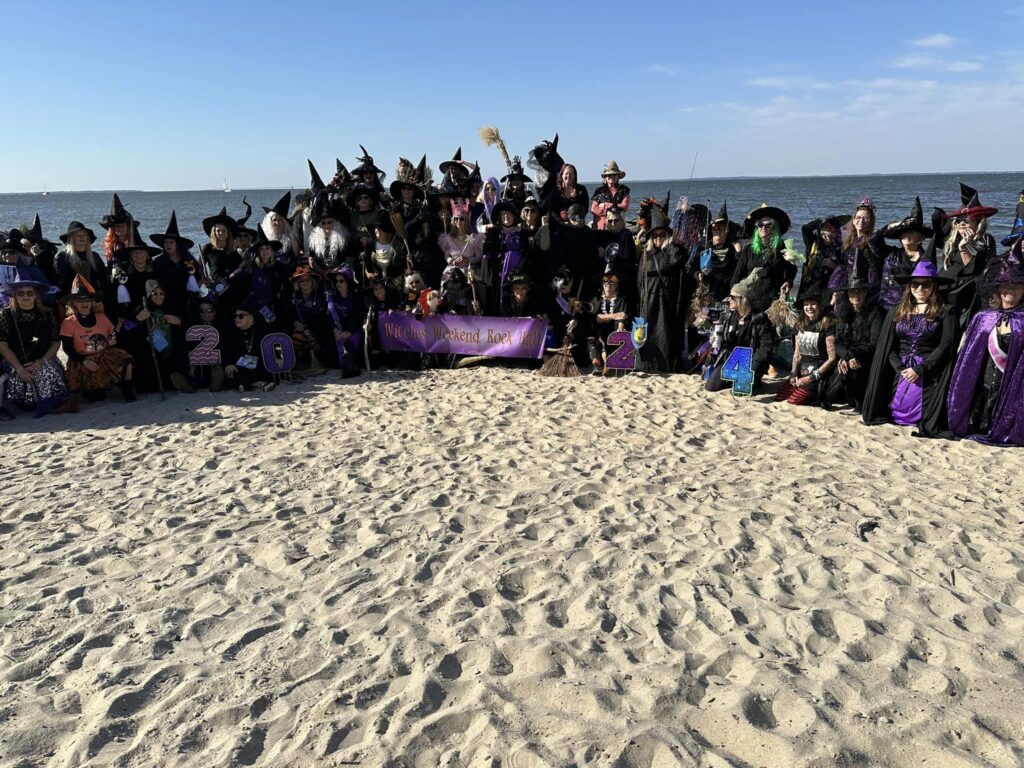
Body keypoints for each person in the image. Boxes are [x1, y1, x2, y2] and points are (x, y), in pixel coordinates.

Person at [862, 261, 956, 434]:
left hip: (928, 368)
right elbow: (888, 345)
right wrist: (900, 369)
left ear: (934, 287)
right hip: (900, 368)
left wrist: (920, 368)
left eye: (926, 284)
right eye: (915, 284)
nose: (920, 289)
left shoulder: (945, 312)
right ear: (909, 286)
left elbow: (945, 345)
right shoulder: (897, 311)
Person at [947, 248, 1024, 445]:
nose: (1010, 290)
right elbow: (968, 356)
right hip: (983, 378)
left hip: (1012, 384)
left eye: (1017, 285)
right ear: (997, 289)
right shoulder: (984, 318)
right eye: (1005, 285)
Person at [0, 269, 70, 418]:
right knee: (21, 390)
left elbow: (55, 342)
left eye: (29, 293)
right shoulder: (5, 315)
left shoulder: (48, 314)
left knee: (45, 372)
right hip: (16, 362)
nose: (25, 296)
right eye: (20, 293)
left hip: (44, 359)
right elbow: (2, 345)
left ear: (36, 295)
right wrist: (19, 369)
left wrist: (41, 362)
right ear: (14, 296)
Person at [59, 278, 135, 401]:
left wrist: (113, 340)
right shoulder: (68, 322)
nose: (84, 303)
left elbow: (113, 335)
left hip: (103, 355)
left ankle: (127, 390)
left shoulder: (102, 317)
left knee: (126, 358)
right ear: (74, 303)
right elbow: (67, 348)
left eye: (87, 300)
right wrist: (84, 361)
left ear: (92, 302)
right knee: (96, 396)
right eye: (80, 300)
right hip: (81, 359)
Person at [936, 183, 998, 331]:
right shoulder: (952, 239)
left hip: (966, 294)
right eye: (959, 221)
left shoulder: (986, 240)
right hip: (946, 288)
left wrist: (965, 247)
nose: (962, 224)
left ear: (977, 221)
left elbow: (975, 270)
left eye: (966, 220)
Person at [635, 202, 686, 372]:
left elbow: (677, 261)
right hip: (649, 300)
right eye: (655, 236)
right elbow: (640, 279)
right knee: (648, 335)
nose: (658, 239)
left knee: (665, 334)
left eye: (661, 235)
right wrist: (641, 301)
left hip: (666, 301)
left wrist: (670, 244)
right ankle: (648, 365)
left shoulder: (673, 251)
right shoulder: (646, 254)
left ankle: (667, 364)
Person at [821, 276, 884, 410]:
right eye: (852, 292)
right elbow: (838, 342)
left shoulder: (875, 313)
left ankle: (853, 401)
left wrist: (851, 355)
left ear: (866, 292)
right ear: (847, 294)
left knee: (853, 368)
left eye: (860, 291)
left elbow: (874, 344)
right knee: (844, 367)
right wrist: (846, 356)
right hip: (847, 357)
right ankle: (836, 398)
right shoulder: (843, 313)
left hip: (867, 358)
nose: (856, 295)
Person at [703, 273, 773, 393]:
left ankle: (753, 380)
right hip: (732, 360)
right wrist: (715, 341)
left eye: (732, 297)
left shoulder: (759, 319)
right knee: (711, 386)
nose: (729, 299)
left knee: (740, 390)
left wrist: (752, 368)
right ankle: (736, 379)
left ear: (742, 299)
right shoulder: (730, 317)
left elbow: (765, 348)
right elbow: (725, 343)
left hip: (750, 361)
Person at [775, 289, 836, 406]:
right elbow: (797, 354)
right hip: (801, 372)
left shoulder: (828, 325)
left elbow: (832, 358)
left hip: (819, 374)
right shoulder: (800, 324)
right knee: (780, 396)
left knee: (794, 400)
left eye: (813, 304)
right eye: (806, 304)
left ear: (819, 306)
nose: (809, 307)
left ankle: (817, 394)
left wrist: (812, 377)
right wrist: (793, 373)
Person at [731, 204, 796, 311]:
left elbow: (791, 270)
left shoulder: (782, 248)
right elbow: (737, 274)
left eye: (768, 225)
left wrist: (788, 281)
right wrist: (733, 296)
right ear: (757, 228)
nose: (763, 228)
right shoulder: (748, 249)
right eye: (760, 225)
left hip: (773, 300)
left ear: (774, 227)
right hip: (749, 300)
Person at [874, 197, 933, 311]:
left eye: (911, 232)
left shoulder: (926, 259)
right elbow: (873, 241)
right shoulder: (891, 253)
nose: (906, 235)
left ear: (920, 238)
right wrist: (893, 225)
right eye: (903, 232)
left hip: (913, 309)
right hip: (887, 308)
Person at [54, 221, 115, 315]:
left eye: (84, 235)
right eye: (78, 235)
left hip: (94, 302)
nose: (82, 237)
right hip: (72, 304)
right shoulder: (63, 257)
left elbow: (104, 281)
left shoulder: (95, 257)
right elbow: (60, 282)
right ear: (71, 239)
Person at [221, 295, 275, 391]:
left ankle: (245, 384)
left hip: (258, 366)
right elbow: (225, 354)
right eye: (235, 316)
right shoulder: (231, 333)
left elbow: (269, 354)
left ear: (251, 318)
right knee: (231, 372)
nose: (236, 318)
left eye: (241, 316)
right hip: (239, 367)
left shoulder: (262, 332)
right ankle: (258, 384)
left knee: (268, 372)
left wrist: (250, 362)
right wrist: (228, 364)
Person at [830, 197, 880, 297]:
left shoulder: (874, 241)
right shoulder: (849, 241)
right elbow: (844, 266)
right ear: (853, 220)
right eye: (858, 217)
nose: (861, 221)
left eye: (866, 218)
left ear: (871, 221)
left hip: (864, 290)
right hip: (848, 287)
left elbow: (875, 268)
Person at [151, 211, 197, 310]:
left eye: (171, 242)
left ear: (177, 244)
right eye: (166, 242)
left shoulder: (189, 260)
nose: (168, 245)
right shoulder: (158, 262)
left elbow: (198, 277)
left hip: (187, 301)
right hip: (166, 302)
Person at [587, 273, 629, 373]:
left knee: (619, 337)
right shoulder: (596, 299)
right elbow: (596, 318)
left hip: (613, 330)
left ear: (616, 286)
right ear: (602, 284)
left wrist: (620, 327)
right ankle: (597, 363)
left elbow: (622, 316)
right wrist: (614, 315)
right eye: (605, 281)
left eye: (612, 282)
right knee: (591, 340)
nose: (608, 284)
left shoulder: (622, 299)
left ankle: (609, 365)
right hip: (598, 331)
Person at [200, 208, 241, 297]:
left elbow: (241, 268)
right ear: (214, 232)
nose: (221, 233)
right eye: (218, 230)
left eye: (224, 230)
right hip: (216, 288)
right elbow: (198, 268)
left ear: (228, 232)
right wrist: (204, 281)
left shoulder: (234, 249)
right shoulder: (207, 249)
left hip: (234, 288)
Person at [590, 161, 630, 230]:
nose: (611, 177)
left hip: (618, 226)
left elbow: (624, 207)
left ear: (618, 177)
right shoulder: (599, 191)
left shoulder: (624, 190)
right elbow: (593, 209)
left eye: (614, 175)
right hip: (601, 227)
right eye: (609, 175)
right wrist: (615, 207)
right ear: (605, 177)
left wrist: (605, 205)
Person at [99, 193, 137, 264]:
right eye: (116, 226)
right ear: (112, 229)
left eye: (122, 225)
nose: (120, 228)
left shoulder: (136, 243)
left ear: (128, 226)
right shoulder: (111, 246)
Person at [260, 192, 297, 260]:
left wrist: (290, 232)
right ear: (270, 222)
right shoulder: (266, 235)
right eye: (274, 220)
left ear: (284, 222)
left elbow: (296, 253)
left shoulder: (288, 237)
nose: (277, 222)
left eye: (280, 220)